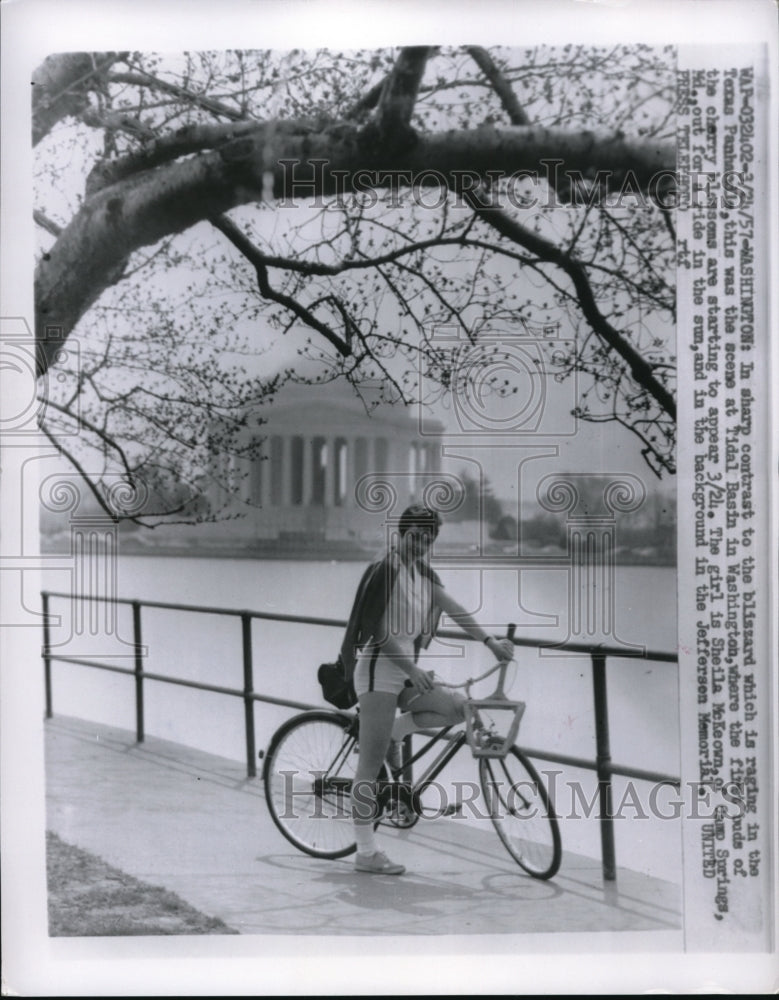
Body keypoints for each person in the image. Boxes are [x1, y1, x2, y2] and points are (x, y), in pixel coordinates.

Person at [340, 503, 515, 875]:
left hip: (407, 671)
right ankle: (366, 853)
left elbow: (456, 610)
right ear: (401, 533)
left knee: (457, 707)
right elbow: (375, 631)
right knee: (369, 766)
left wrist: (490, 643)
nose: (421, 545)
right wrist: (411, 669)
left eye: (428, 539)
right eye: (416, 537)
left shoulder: (423, 575)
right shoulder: (385, 568)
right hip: (378, 672)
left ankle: (393, 733)